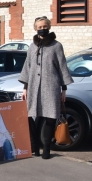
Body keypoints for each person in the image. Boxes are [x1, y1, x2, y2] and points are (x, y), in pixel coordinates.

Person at [19, 16, 73, 159]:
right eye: (39, 27)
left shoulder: (56, 46)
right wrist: (25, 87)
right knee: (32, 115)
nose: (42, 29)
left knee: (50, 117)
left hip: (51, 86)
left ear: (48, 27)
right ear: (35, 28)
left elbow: (62, 67)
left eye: (45, 26)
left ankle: (47, 149)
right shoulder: (32, 47)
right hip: (33, 87)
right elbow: (27, 67)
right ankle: (35, 147)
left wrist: (64, 89)